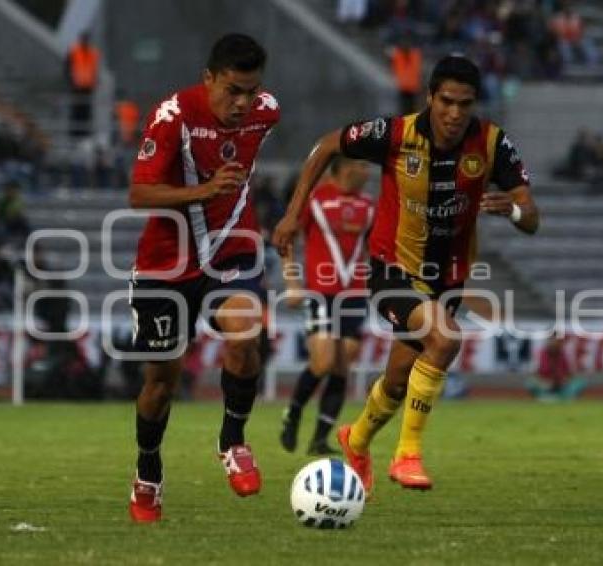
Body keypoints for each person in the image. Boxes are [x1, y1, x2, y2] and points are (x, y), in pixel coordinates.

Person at [273, 55, 539, 494]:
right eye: (447, 102)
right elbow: (327, 145)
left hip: (447, 278)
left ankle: (354, 440)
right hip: (392, 268)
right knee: (447, 337)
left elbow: (532, 217)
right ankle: (407, 454)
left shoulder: (493, 144)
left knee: (398, 379)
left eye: (465, 104)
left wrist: (511, 209)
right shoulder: (395, 134)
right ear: (430, 97)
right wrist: (292, 212)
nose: (455, 113)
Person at [126, 33, 280, 522]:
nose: (242, 103)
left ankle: (232, 441)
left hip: (232, 252)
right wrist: (206, 189)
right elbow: (139, 194)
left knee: (246, 334)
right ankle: (148, 471)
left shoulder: (266, 111)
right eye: (232, 90)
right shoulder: (172, 116)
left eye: (250, 92)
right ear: (208, 78)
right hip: (165, 265)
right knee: (160, 384)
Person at [279, 156, 374, 455]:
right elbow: (285, 240)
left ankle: (319, 438)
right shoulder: (314, 199)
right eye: (363, 165)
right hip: (321, 292)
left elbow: (376, 248)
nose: (367, 170)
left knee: (343, 362)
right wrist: (293, 283)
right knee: (323, 361)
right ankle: (292, 415)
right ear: (347, 168)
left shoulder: (369, 205)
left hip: (355, 294)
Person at [525, 333, 585, 401]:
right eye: (552, 340)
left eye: (556, 340)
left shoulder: (565, 354)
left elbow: (571, 374)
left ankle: (563, 397)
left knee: (579, 382)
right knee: (530, 383)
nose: (554, 342)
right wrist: (545, 382)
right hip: (545, 384)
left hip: (562, 384)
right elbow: (535, 373)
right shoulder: (540, 354)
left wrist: (564, 381)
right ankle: (545, 397)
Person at [65, 32, 100, 138]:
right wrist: (71, 82)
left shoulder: (93, 53)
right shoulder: (74, 51)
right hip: (77, 86)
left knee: (86, 111)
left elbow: (94, 69)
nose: (85, 41)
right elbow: (67, 68)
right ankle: (75, 134)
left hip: (88, 87)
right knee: (76, 111)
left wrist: (94, 82)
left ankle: (85, 134)